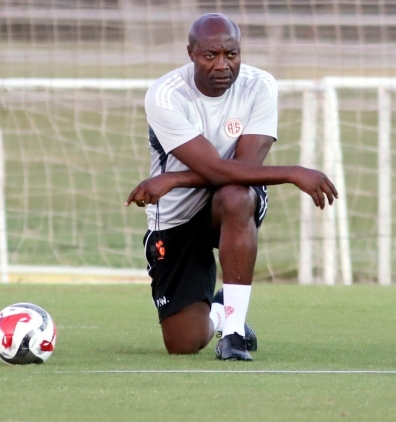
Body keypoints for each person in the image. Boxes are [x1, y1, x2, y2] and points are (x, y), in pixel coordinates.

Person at [126, 13, 337, 361]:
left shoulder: (260, 85)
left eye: (231, 54)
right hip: (176, 215)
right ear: (191, 54)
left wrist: (173, 178)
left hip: (230, 203)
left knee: (236, 195)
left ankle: (234, 333)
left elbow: (244, 170)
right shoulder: (165, 95)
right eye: (211, 55)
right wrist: (293, 172)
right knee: (183, 343)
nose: (222, 65)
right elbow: (213, 167)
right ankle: (221, 310)